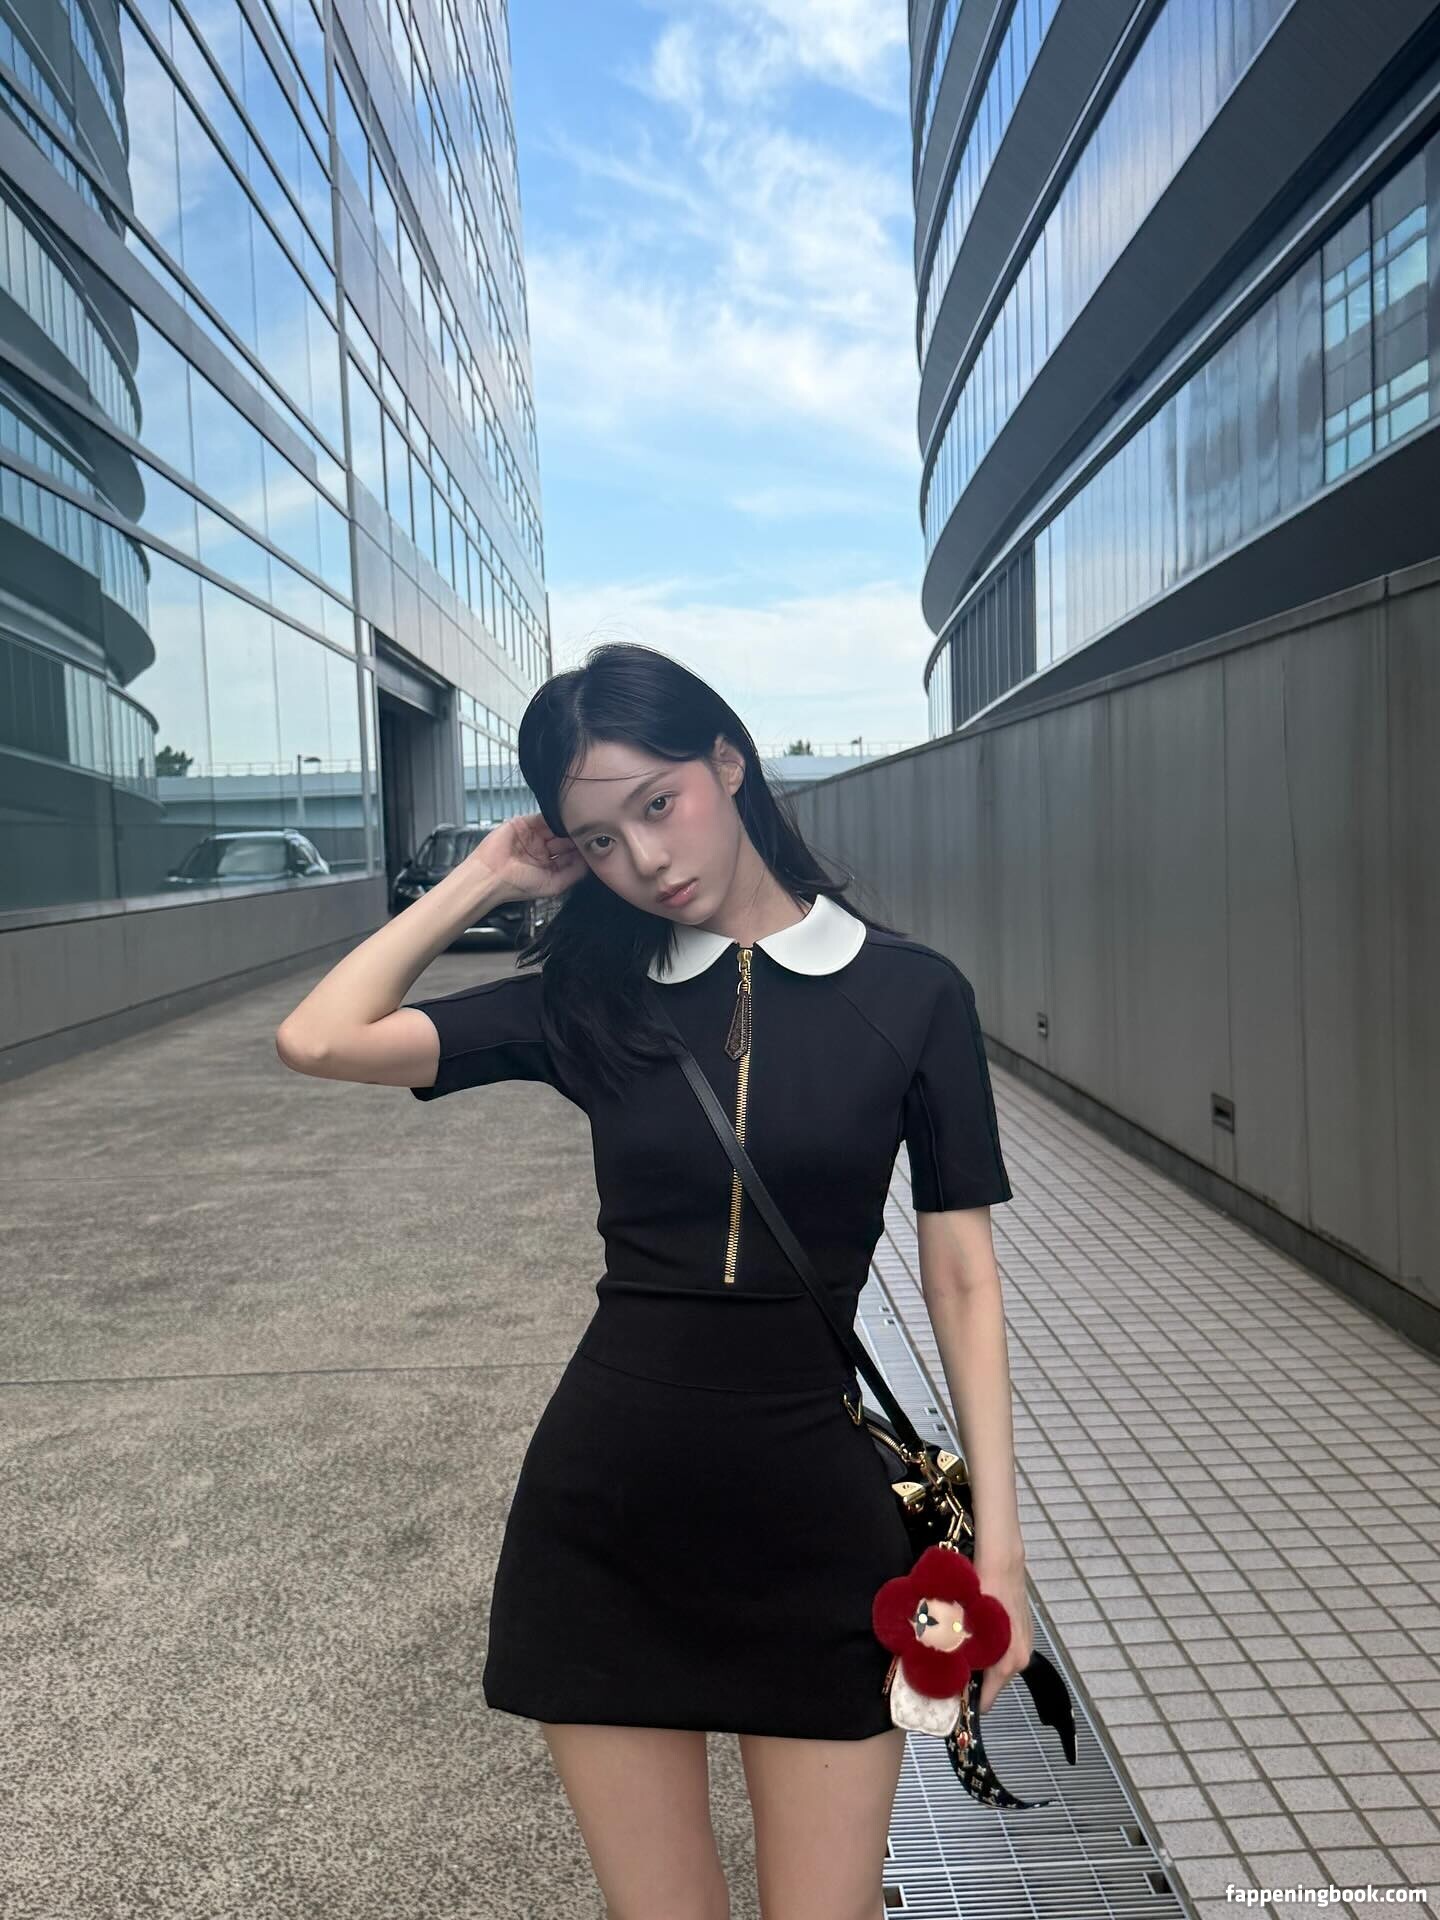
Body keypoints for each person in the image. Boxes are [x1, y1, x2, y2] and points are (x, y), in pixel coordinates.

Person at [275, 642, 1033, 1920]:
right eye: (601, 838)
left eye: (658, 802)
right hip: (608, 1521)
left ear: (727, 761)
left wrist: (1001, 1548)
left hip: (817, 1526)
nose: (645, 858)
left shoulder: (912, 996)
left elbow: (962, 1281)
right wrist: (485, 874)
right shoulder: (590, 1000)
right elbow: (317, 1038)